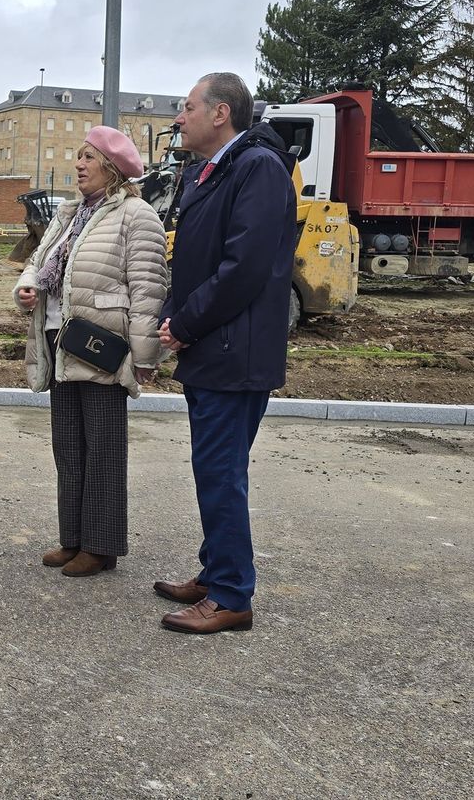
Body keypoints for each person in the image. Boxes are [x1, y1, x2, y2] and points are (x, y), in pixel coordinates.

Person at [155, 73, 297, 635]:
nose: (178, 118)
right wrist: (174, 315)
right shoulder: (212, 170)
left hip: (234, 351)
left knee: (221, 473)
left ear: (220, 114)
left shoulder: (257, 168)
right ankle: (216, 573)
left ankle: (232, 595)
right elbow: (192, 257)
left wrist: (186, 323)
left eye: (187, 107)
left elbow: (244, 269)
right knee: (214, 470)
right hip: (213, 345)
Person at [14, 126, 168, 577]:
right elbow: (37, 264)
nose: (78, 164)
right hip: (59, 341)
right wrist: (26, 288)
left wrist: (144, 357)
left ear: (113, 168)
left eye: (88, 157)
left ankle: (101, 547)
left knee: (102, 448)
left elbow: (148, 289)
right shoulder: (69, 214)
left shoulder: (136, 216)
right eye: (78, 157)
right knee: (69, 446)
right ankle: (74, 539)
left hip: (102, 346)